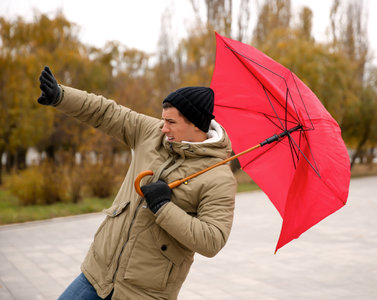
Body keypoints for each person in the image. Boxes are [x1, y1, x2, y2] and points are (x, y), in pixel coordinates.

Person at [38, 66, 236, 299]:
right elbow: (105, 112)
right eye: (163, 120)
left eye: (171, 122)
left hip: (145, 292)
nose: (163, 128)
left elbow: (212, 240)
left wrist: (164, 207)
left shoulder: (218, 177)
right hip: (97, 273)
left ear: (196, 125)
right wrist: (61, 96)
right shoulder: (151, 133)